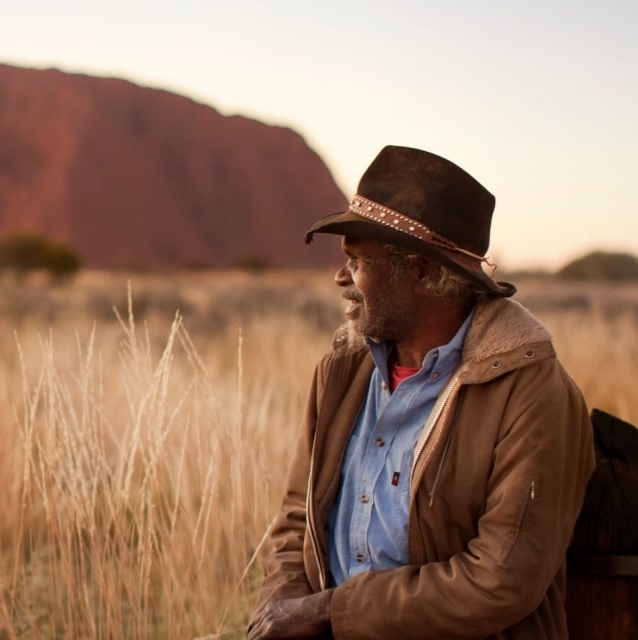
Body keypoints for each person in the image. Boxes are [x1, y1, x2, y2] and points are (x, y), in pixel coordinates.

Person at [249, 146, 594, 639]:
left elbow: (502, 579)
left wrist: (330, 612)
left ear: (421, 272)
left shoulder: (529, 392)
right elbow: (295, 520)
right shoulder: (341, 372)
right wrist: (282, 610)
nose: (340, 277)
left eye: (357, 260)